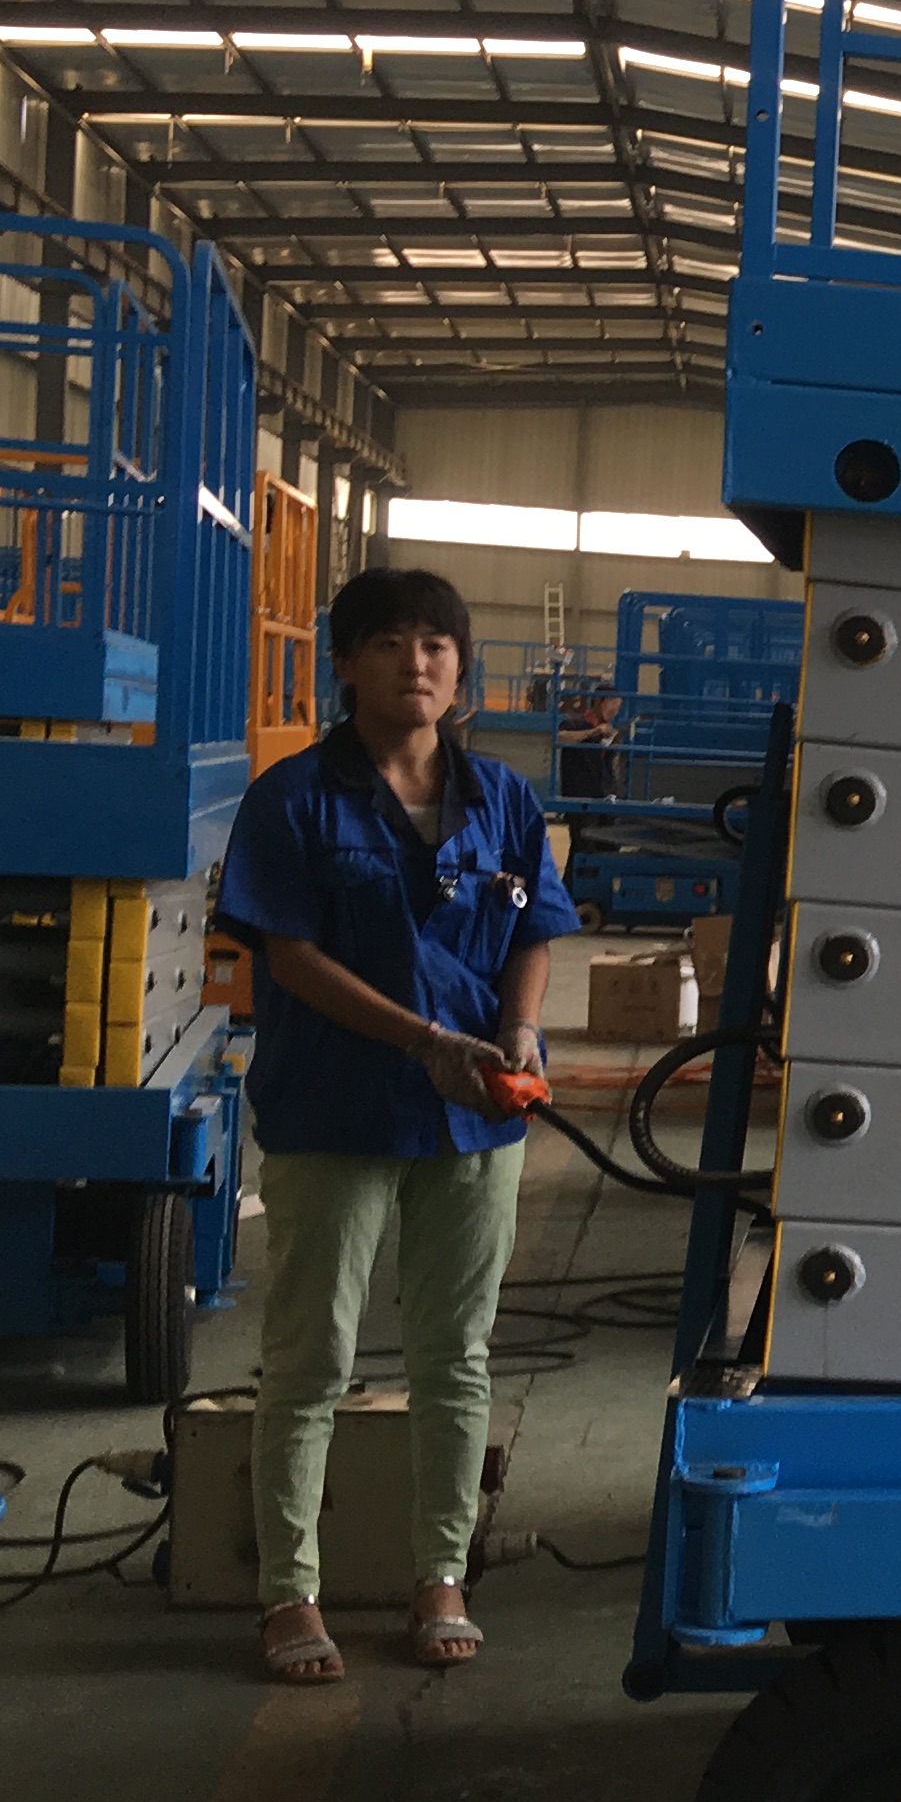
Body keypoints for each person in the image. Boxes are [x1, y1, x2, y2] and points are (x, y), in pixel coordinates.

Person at [211, 567, 581, 1682]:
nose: (415, 663)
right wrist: (426, 1042)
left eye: (435, 645)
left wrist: (518, 1030)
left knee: (454, 1357)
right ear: (346, 665)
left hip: (475, 1122)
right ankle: (290, 1594)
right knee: (310, 1358)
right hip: (338, 1109)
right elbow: (289, 956)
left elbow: (534, 930)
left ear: (461, 671)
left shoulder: (503, 799)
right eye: (388, 644)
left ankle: (440, 1576)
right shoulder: (294, 798)